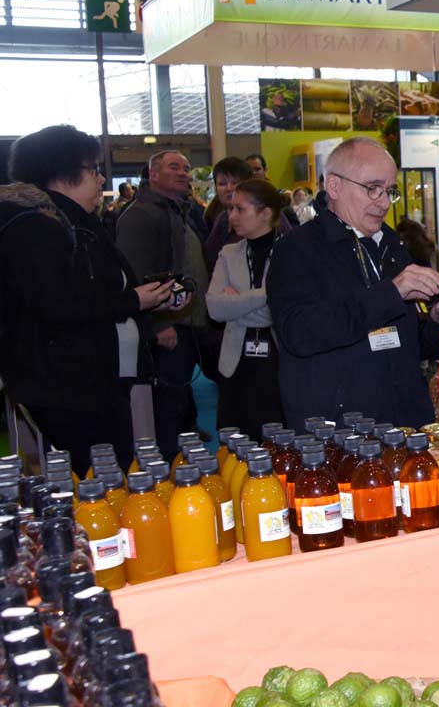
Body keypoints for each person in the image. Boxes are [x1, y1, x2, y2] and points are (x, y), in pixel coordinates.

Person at [0, 125, 173, 475]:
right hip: (69, 384)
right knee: (102, 478)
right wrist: (131, 301)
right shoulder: (39, 227)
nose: (101, 180)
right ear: (63, 175)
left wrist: (144, 301)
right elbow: (58, 304)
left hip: (89, 380)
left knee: (109, 471)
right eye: (94, 170)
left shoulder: (72, 222)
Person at [266, 136, 439, 431]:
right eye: (372, 189)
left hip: (405, 426)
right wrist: (392, 292)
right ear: (334, 186)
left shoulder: (392, 246)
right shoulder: (297, 249)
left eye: (390, 191)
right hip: (342, 435)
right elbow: (299, 333)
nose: (384, 202)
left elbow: (410, 343)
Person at [116, 149, 209, 462]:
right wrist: (160, 324)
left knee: (178, 401)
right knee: (167, 406)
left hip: (183, 320)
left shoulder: (174, 210)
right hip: (165, 326)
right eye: (174, 167)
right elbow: (136, 274)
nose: (183, 172)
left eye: (186, 167)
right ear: (153, 174)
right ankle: (167, 472)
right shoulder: (141, 214)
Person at [206, 179, 288, 435]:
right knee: (234, 442)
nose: (231, 216)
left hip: (278, 361)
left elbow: (278, 313)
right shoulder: (228, 253)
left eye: (240, 209)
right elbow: (215, 308)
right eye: (231, 209)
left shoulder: (291, 252)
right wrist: (265, 295)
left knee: (277, 443)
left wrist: (238, 301)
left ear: (265, 213)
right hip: (235, 364)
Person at [203, 156, 254, 270]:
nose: (229, 188)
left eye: (235, 182)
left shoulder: (264, 214)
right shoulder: (221, 219)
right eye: (222, 184)